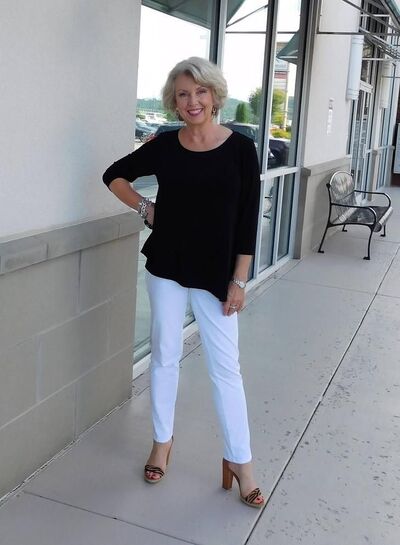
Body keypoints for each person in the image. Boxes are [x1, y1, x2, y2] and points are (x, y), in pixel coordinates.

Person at [103, 57, 264, 508]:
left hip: (217, 274)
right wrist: (146, 209)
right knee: (165, 357)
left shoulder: (240, 148)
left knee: (225, 368)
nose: (192, 101)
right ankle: (161, 443)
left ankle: (240, 461)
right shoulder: (165, 146)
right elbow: (113, 176)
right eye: (183, 94)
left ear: (214, 95)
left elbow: (247, 218)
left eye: (200, 92)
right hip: (168, 266)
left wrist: (239, 280)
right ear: (174, 103)